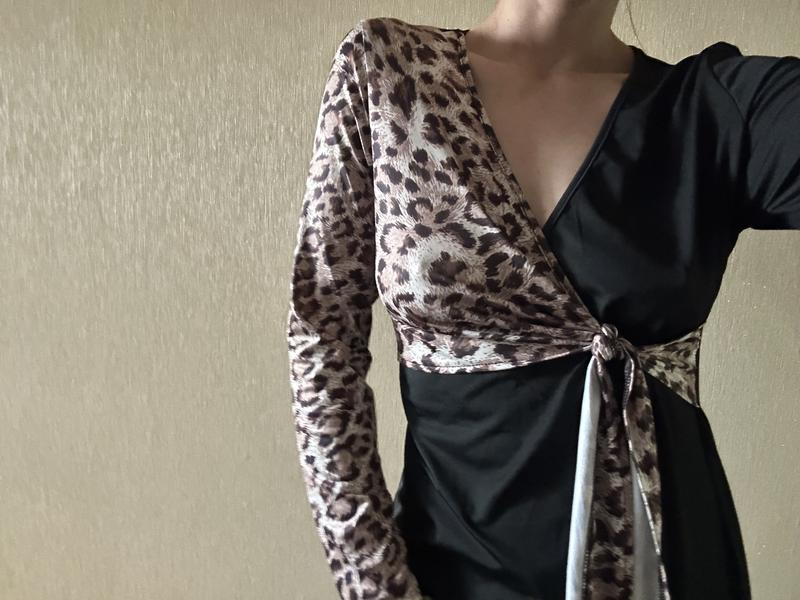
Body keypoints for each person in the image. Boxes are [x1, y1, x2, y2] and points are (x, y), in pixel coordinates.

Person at [285, 2, 800, 599]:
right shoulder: (391, 72)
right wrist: (373, 581)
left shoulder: (712, 109)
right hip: (451, 572)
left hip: (662, 567)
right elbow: (322, 333)